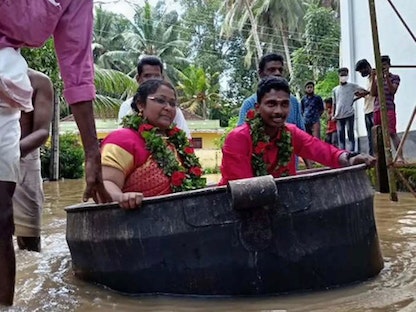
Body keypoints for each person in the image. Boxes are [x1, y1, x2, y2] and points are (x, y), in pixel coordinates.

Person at [0, 2, 111, 306]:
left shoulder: (38, 83)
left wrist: (92, 152)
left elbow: (76, 67)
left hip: (5, 97)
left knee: (2, 218)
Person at [219, 77, 375, 185]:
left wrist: (350, 159)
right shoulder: (238, 138)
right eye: (271, 104)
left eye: (284, 104)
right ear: (258, 108)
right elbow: (245, 189)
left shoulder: (290, 132)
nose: (279, 111)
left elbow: (322, 150)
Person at [102, 79, 205, 209]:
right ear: (140, 104)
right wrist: (122, 198)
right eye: (160, 101)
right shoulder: (122, 140)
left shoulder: (178, 143)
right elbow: (105, 182)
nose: (168, 108)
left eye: (173, 104)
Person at [13, 69, 54, 252]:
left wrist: (8, 152)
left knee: (29, 239)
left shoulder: (38, 81)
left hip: (25, 158)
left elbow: (42, 132)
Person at [117, 55, 191, 138]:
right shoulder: (127, 106)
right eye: (147, 76)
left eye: (157, 76)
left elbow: (186, 140)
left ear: (162, 78)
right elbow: (123, 136)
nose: (152, 79)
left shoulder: (172, 109)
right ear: (138, 79)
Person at [237, 53, 304, 131]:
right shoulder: (249, 104)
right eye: (272, 70)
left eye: (280, 70)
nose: (277, 73)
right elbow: (242, 135)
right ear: (260, 74)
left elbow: (301, 132)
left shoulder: (293, 101)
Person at [370, 55, 404, 162]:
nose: (383, 67)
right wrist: (373, 78)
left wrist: (386, 77)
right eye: (381, 65)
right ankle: (381, 158)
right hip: (377, 108)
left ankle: (400, 156)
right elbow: (373, 93)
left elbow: (392, 90)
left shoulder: (395, 77)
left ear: (389, 65)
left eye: (385, 65)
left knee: (392, 132)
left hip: (389, 108)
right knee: (378, 133)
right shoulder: (376, 79)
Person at [331, 67, 367, 151]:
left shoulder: (352, 86)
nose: (343, 77)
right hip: (339, 115)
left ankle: (351, 152)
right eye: (342, 75)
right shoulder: (335, 90)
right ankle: (343, 153)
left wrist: (354, 99)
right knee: (341, 135)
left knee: (350, 133)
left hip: (349, 114)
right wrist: (333, 115)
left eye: (345, 75)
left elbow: (365, 92)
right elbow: (334, 103)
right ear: (339, 76)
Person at [355, 59, 375, 155]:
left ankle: (378, 156)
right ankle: (372, 155)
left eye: (360, 71)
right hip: (367, 110)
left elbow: (374, 92)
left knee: (376, 135)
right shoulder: (368, 79)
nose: (360, 74)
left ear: (366, 67)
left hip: (374, 109)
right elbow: (369, 93)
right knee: (370, 136)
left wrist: (365, 92)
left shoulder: (375, 77)